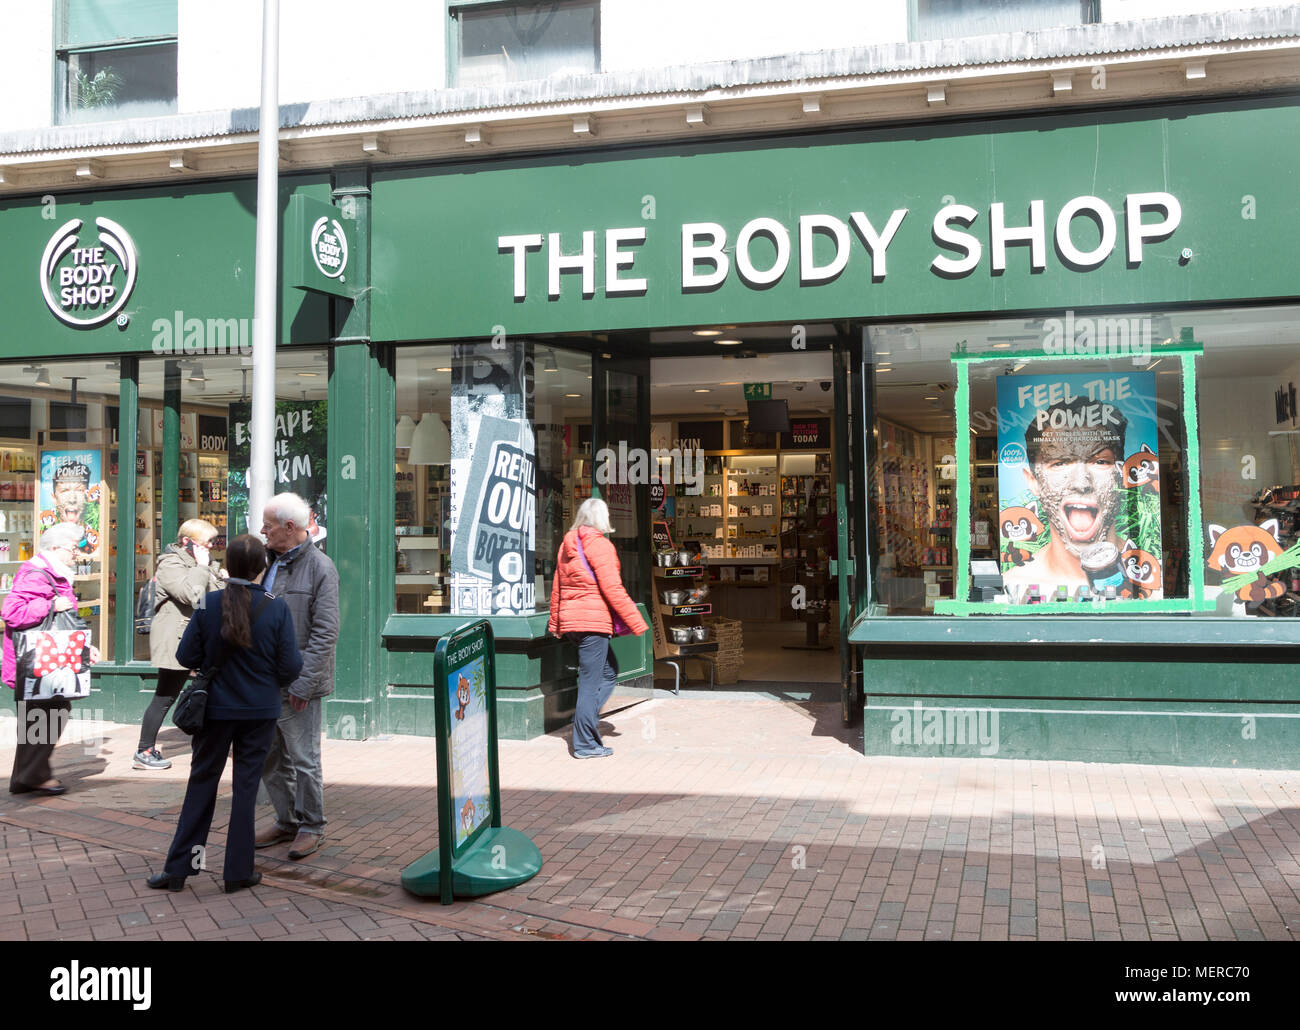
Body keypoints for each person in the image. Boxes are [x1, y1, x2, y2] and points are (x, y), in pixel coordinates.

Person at [147, 535, 302, 894]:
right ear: (262, 567)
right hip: (260, 709)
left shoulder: (207, 604)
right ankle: (236, 872)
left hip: (215, 709)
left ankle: (182, 869)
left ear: (227, 565)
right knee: (246, 790)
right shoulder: (276, 607)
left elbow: (185, 657)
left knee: (202, 785)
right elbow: (291, 666)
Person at [254, 492, 339, 861]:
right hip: (262, 680)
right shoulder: (265, 563)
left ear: (290, 527)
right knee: (270, 757)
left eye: (268, 526)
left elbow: (325, 632)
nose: (262, 531)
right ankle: (286, 820)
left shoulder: (321, 568)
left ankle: (311, 825)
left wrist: (304, 683)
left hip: (297, 682)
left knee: (304, 758)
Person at [3, 523, 101, 796]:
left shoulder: (55, 574)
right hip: (37, 663)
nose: (76, 554)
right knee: (45, 714)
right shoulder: (36, 574)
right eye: (72, 549)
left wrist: (85, 647)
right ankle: (32, 775)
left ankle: (27, 776)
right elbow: (12, 612)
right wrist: (49, 605)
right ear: (55, 548)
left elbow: (66, 621)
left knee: (45, 714)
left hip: (49, 661)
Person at [547, 497, 648, 759]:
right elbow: (612, 588)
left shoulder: (567, 543)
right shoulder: (600, 545)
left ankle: (586, 727)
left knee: (608, 671)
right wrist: (636, 621)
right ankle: (584, 742)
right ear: (603, 519)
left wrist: (556, 623)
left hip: (573, 623)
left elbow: (557, 588)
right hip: (592, 623)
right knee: (593, 682)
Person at [1003, 397, 1128, 595]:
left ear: (1122, 474)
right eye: (1060, 463)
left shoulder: (1148, 577)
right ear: (1033, 482)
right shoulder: (1015, 585)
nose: (1081, 483)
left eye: (1100, 462)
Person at [136, 519, 225, 770]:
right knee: (166, 695)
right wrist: (203, 567)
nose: (211, 546)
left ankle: (212, 744)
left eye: (212, 542)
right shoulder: (170, 563)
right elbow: (193, 596)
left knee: (212, 690)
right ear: (187, 542)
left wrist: (216, 575)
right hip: (176, 638)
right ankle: (144, 750)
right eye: (206, 542)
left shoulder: (204, 564)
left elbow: (214, 597)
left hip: (200, 638)